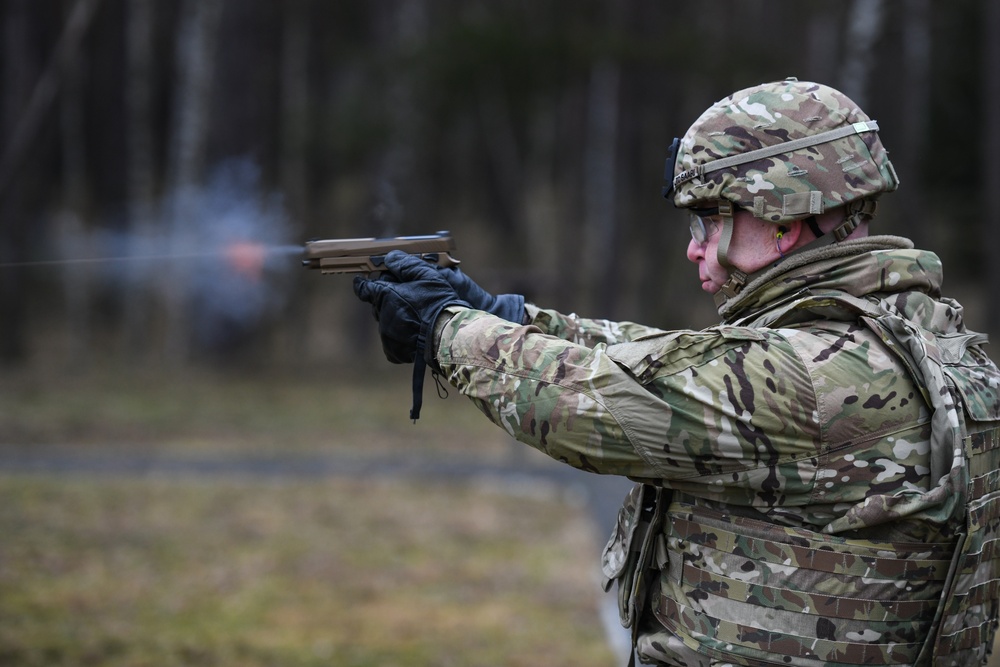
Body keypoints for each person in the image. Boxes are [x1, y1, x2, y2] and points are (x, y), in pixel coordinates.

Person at [353, 78, 1000, 666]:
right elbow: (684, 362)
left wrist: (445, 330)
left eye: (710, 216)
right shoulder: (923, 343)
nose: (694, 245)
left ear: (782, 217)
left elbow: (595, 405)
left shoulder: (812, 376)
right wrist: (506, 314)